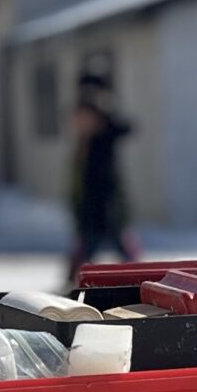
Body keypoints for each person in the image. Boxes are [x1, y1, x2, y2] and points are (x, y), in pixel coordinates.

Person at [68, 66, 139, 276]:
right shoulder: (86, 112)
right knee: (89, 236)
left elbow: (126, 128)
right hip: (90, 187)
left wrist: (106, 115)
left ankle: (136, 273)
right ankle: (75, 276)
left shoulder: (107, 118)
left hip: (107, 187)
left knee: (116, 235)